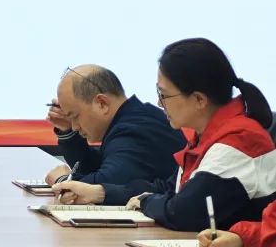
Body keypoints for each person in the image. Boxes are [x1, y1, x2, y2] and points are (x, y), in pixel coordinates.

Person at [54, 38, 276, 231]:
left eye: (164, 95)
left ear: (199, 99)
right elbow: (168, 189)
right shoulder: (208, 137)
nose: (159, 103)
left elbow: (184, 212)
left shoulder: (239, 140)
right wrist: (100, 193)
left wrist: (144, 202)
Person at [43, 65, 185, 189]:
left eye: (75, 116)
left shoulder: (133, 130)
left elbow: (107, 183)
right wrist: (67, 132)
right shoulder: (132, 118)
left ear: (102, 103)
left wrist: (63, 182)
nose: (74, 127)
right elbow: (95, 166)